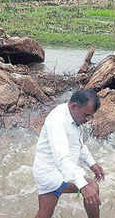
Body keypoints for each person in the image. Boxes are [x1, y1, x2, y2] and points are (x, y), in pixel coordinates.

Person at [32, 89, 105, 218]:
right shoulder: (57, 121)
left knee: (44, 214)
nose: (88, 119)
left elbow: (78, 144)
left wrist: (92, 164)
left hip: (52, 171)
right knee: (92, 187)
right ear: (73, 106)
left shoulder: (73, 116)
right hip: (51, 174)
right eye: (86, 115)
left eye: (91, 116)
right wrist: (83, 186)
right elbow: (62, 158)